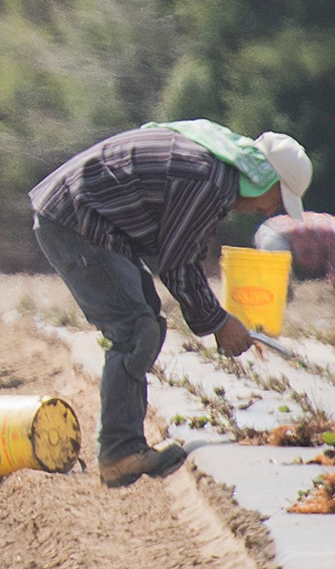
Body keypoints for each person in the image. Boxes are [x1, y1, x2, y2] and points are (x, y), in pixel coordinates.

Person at [29, 120, 311, 489]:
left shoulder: (213, 165)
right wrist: (219, 322)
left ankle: (124, 445)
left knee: (146, 321)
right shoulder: (207, 180)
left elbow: (180, 251)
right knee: (135, 329)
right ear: (262, 178)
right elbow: (178, 264)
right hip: (76, 221)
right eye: (278, 196)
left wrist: (214, 317)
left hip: (86, 219)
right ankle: (120, 452)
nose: (270, 209)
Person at [254, 212, 335, 321]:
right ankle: (266, 322)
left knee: (284, 290)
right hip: (274, 237)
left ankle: (275, 321)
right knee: (279, 288)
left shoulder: (334, 224)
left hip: (268, 229)